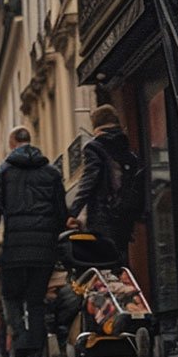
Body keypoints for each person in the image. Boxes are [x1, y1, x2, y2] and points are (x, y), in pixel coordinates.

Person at [0, 126, 67, 357]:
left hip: (15, 249)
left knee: (11, 298)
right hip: (43, 249)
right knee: (36, 302)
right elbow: (61, 212)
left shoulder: (4, 172)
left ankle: (21, 347)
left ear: (12, 143)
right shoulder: (51, 172)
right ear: (30, 140)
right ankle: (36, 355)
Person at [68, 104, 141, 263]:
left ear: (96, 126)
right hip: (125, 215)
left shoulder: (94, 148)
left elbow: (89, 180)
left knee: (103, 262)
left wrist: (73, 212)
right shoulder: (126, 147)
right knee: (121, 260)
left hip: (103, 216)